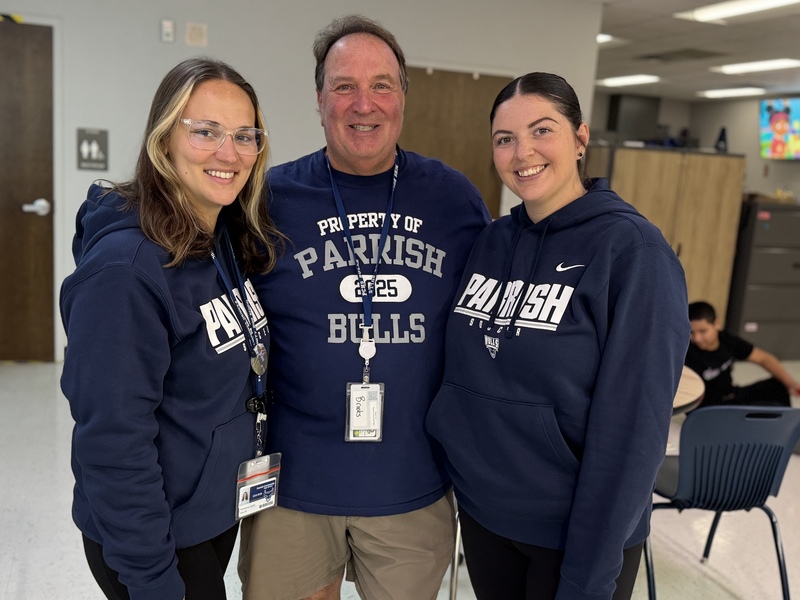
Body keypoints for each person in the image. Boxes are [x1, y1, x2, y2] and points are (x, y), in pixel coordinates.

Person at [238, 14, 491, 600]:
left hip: (413, 485)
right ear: (319, 98)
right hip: (293, 487)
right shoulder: (267, 199)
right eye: (343, 85)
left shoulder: (453, 199)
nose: (363, 103)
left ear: (403, 95)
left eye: (381, 84)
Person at [425, 72, 690, 600]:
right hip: (486, 517)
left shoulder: (634, 253)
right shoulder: (492, 241)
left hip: (574, 535)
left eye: (542, 130)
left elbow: (633, 435)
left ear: (581, 137)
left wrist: (588, 576)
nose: (523, 152)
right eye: (505, 139)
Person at [60, 57, 283, 600]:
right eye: (205, 131)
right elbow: (113, 442)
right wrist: (152, 580)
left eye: (244, 135)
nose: (228, 153)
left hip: (202, 514)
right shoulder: (126, 270)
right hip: (152, 540)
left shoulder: (220, 238)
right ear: (164, 139)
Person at [685, 300, 799, 407]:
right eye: (691, 332)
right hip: (707, 406)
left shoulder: (727, 340)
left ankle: (784, 424)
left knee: (778, 386)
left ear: (716, 324)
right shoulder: (686, 351)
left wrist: (791, 384)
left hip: (731, 395)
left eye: (703, 331)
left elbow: (763, 358)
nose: (697, 338)